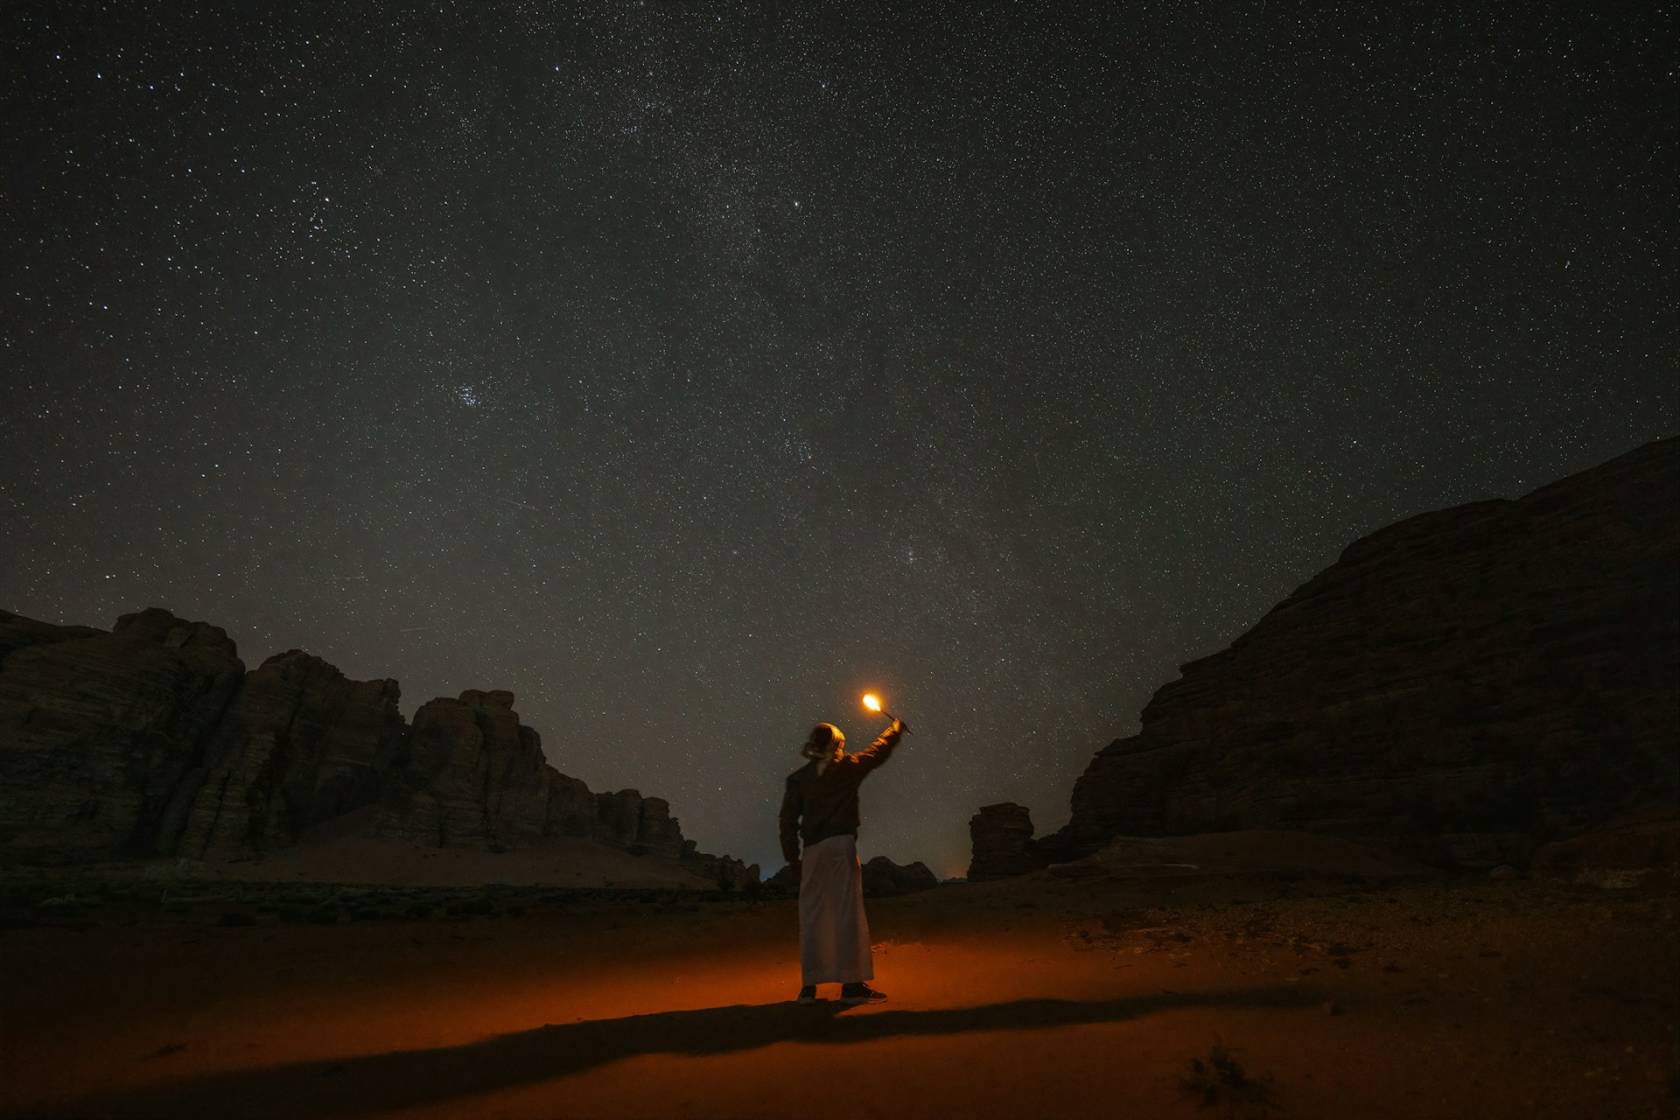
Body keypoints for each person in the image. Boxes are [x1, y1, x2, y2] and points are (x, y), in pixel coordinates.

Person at [778, 716, 908, 1005]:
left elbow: (787, 821)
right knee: (846, 913)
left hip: (811, 851)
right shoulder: (848, 767)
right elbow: (878, 751)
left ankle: (808, 989)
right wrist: (895, 729)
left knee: (812, 916)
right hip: (839, 845)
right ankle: (851, 987)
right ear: (837, 744)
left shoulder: (798, 779)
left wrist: (792, 858)